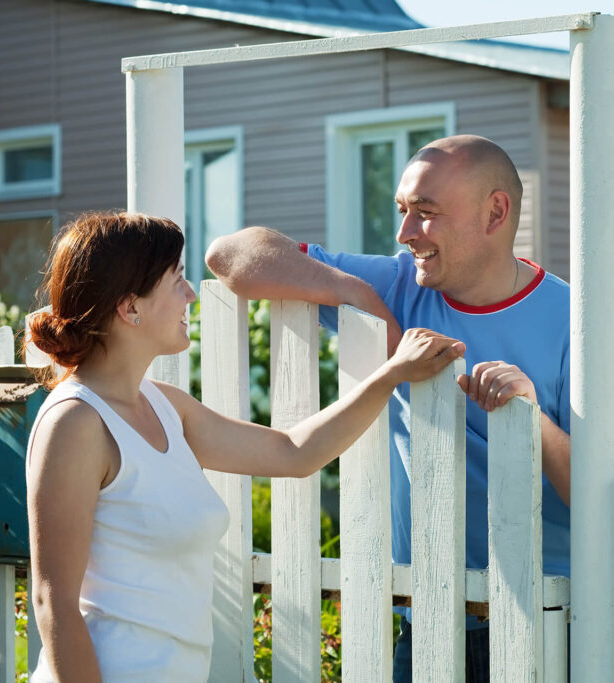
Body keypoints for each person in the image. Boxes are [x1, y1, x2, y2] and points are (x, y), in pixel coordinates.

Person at [206, 135, 614, 682]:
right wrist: (359, 296)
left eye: (426, 213)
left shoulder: (578, 325)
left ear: (495, 212)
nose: (405, 233)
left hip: (553, 625)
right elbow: (231, 254)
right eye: (402, 211)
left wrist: (529, 419)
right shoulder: (397, 285)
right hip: (427, 615)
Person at [25, 211, 464, 683]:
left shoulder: (162, 405)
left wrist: (392, 373)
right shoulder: (75, 422)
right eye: (176, 280)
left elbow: (294, 452)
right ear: (131, 308)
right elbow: (55, 602)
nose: (191, 293)